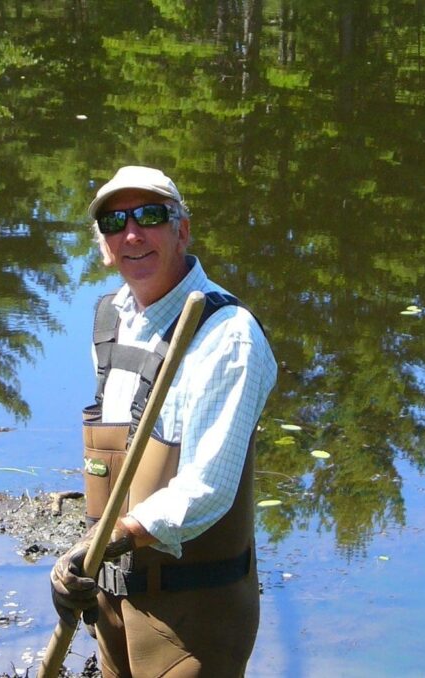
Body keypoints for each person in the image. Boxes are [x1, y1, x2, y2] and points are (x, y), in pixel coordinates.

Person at [50, 165, 277, 677]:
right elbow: (117, 461)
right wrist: (81, 567)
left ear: (183, 229)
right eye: (115, 222)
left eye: (150, 216)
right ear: (103, 243)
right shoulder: (111, 319)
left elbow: (207, 490)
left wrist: (114, 538)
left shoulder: (227, 336)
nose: (132, 234)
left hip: (192, 617)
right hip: (112, 600)